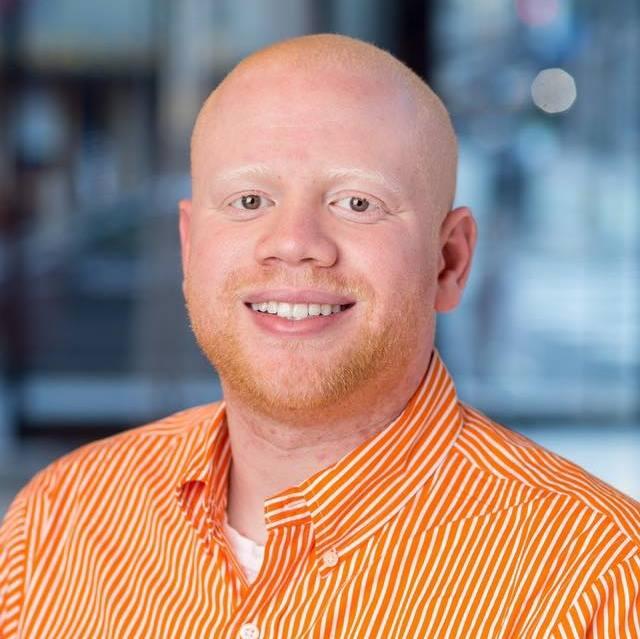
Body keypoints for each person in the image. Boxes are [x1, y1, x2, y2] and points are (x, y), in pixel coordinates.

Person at [1, 33, 639, 639]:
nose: (295, 244)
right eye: (250, 201)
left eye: (357, 203)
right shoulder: (59, 520)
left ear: (448, 261)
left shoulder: (595, 578)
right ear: (190, 249)